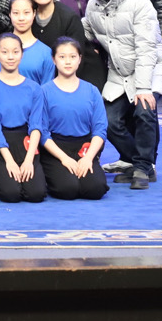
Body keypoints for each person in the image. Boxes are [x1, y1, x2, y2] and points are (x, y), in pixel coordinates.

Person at [84, 0, 162, 189]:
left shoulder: (139, 2)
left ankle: (142, 169)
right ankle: (137, 163)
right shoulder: (93, 5)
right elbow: (87, 30)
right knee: (107, 120)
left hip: (150, 66)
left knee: (144, 110)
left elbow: (147, 49)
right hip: (119, 71)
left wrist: (143, 87)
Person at [38, 37, 110, 201]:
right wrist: (64, 158)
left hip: (84, 147)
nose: (68, 61)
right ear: (54, 60)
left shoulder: (92, 91)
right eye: (62, 57)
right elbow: (42, 132)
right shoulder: (44, 92)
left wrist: (88, 157)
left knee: (95, 189)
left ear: (79, 59)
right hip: (56, 148)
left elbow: (100, 129)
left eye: (72, 56)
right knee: (67, 190)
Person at [0, 32, 47, 203]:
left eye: (15, 52)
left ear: (22, 54)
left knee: (36, 194)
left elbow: (36, 126)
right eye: (5, 52)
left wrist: (29, 160)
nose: (10, 57)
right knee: (11, 194)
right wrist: (9, 161)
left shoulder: (34, 88)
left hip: (26, 142)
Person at [29, 0, 97, 85]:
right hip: (41, 78)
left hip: (77, 76)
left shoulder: (69, 17)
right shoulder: (27, 15)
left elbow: (77, 59)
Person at [0, 0, 57, 85]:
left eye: (26, 13)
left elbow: (46, 90)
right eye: (16, 13)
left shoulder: (45, 53)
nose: (21, 18)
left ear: (34, 13)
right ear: (9, 14)